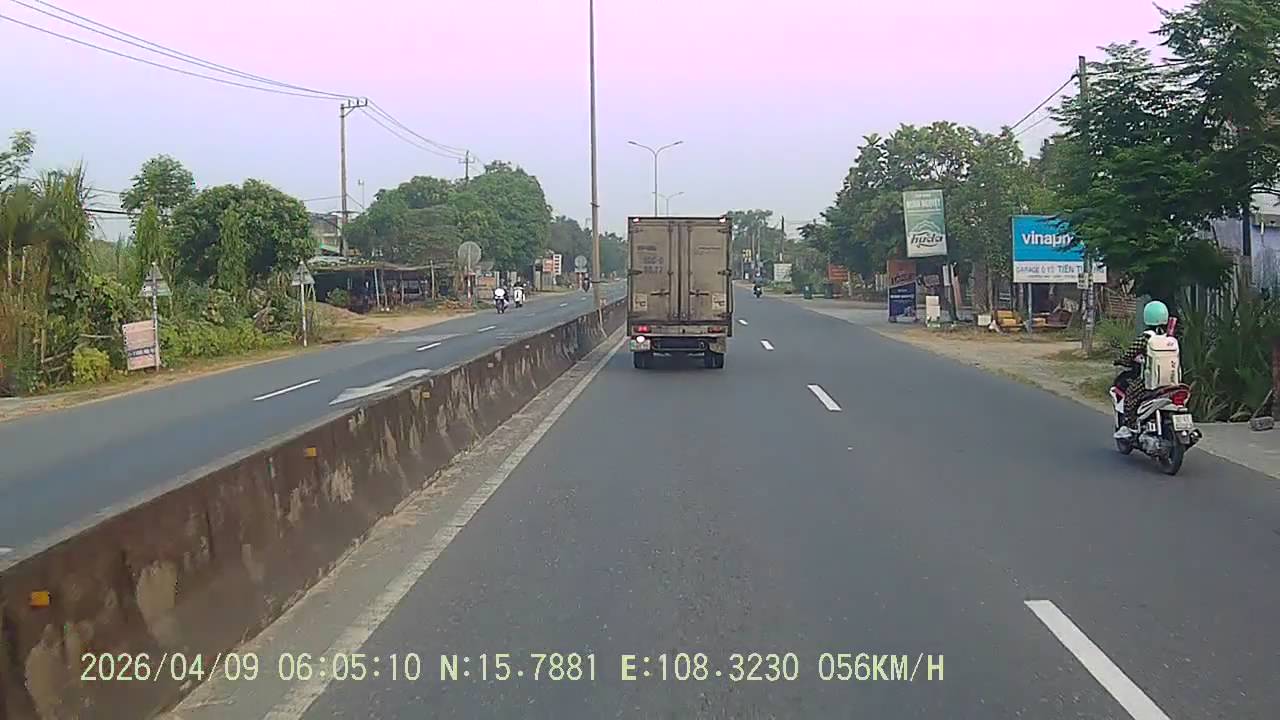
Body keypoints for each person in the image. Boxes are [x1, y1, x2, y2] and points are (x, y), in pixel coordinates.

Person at [1113, 300, 1171, 440]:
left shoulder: (1145, 338)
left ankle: (1129, 426)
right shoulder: (1170, 338)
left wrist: (1121, 360)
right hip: (1171, 380)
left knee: (1130, 396)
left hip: (1149, 381)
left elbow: (1129, 354)